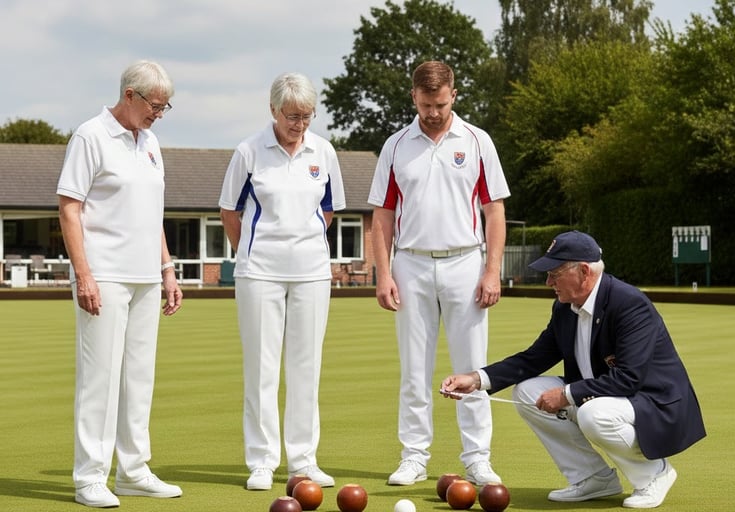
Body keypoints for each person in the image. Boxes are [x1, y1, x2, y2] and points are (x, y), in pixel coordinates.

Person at [442, 230, 706, 509]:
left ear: (584, 271)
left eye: (554, 274)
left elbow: (628, 378)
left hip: (654, 402)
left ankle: (654, 474)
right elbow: (534, 358)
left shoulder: (630, 304)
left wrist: (567, 394)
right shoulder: (564, 307)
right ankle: (593, 478)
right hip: (608, 396)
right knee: (527, 392)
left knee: (593, 414)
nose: (548, 282)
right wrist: (476, 379)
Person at [368, 61, 510, 486]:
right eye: (426, 104)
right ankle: (413, 457)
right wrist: (383, 274)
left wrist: (492, 271)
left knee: (473, 367)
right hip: (410, 263)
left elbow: (494, 210)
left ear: (454, 96)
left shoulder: (478, 141)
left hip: (465, 262)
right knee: (414, 369)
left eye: (441, 104)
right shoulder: (395, 146)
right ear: (414, 96)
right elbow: (382, 215)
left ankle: (478, 458)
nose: (433, 113)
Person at [57, 60, 183, 508]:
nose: (159, 115)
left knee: (139, 378)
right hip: (105, 275)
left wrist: (167, 269)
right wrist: (84, 275)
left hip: (147, 275)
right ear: (129, 95)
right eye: (155, 106)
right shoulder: (90, 136)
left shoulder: (150, 142)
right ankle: (90, 477)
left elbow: (153, 214)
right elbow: (69, 208)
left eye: (165, 107)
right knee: (100, 378)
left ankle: (133, 471)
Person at [219, 72, 345, 491]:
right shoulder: (248, 151)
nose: (299, 124)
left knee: (307, 367)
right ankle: (262, 462)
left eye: (307, 116)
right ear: (273, 109)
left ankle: (303, 461)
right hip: (259, 273)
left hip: (312, 272)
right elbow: (229, 212)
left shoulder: (323, 151)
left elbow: (328, 211)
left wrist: (303, 243)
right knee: (262, 368)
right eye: (292, 116)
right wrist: (249, 252)